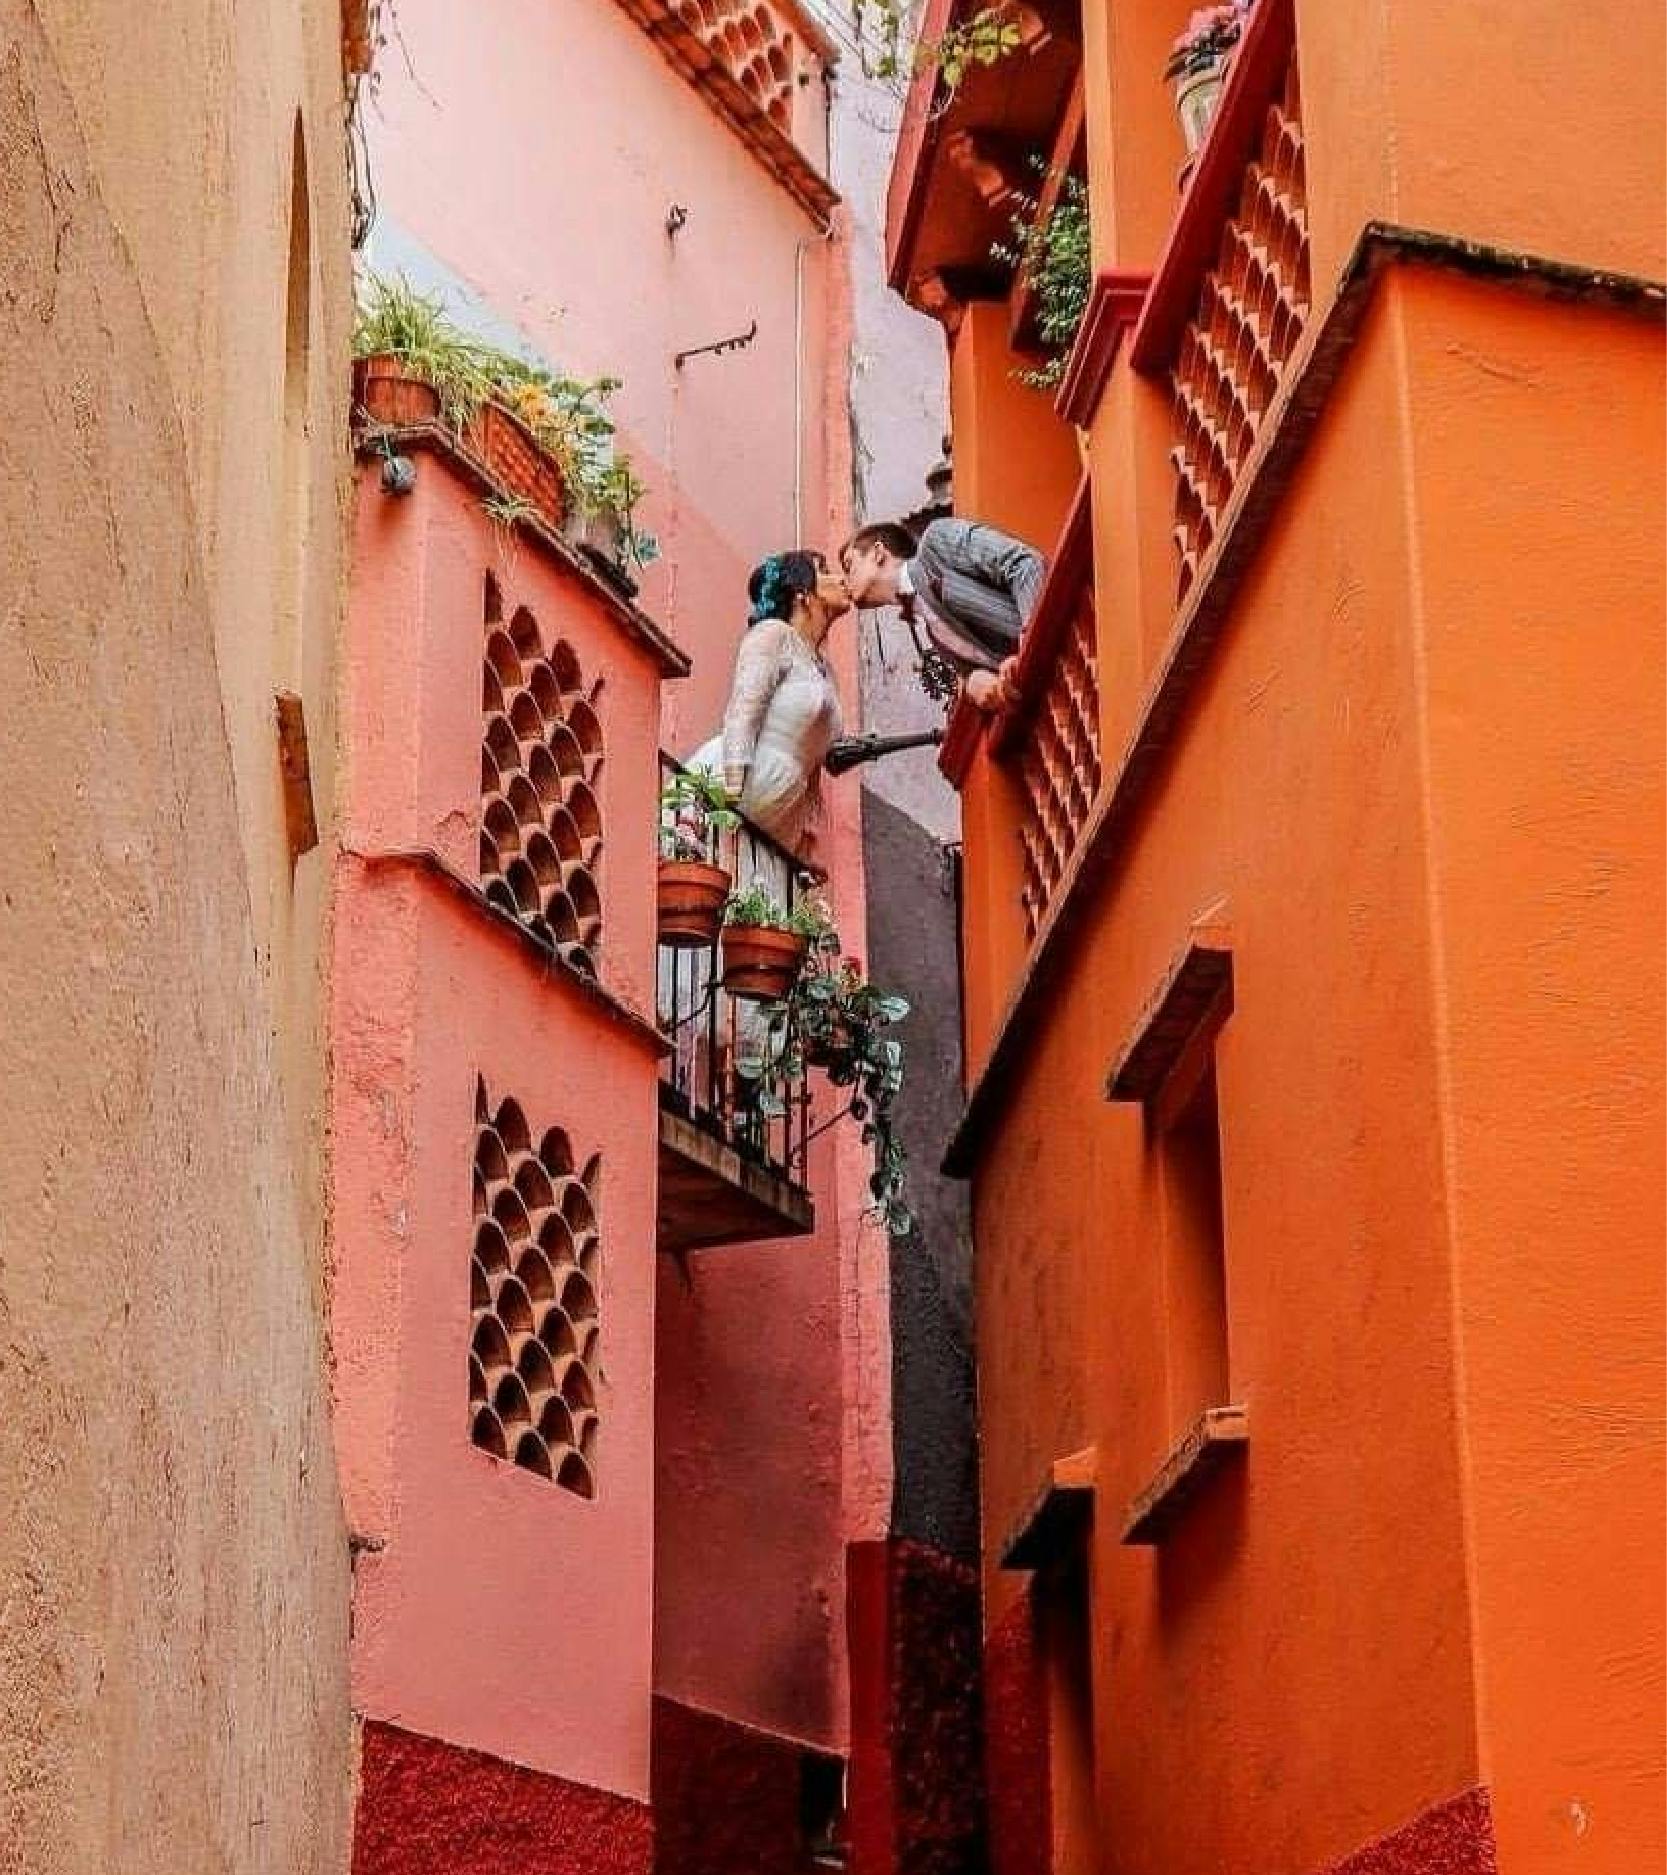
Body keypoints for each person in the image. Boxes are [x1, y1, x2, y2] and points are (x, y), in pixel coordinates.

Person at [685, 549, 849, 864]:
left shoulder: (826, 670)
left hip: (782, 807)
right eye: (824, 570)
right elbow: (745, 706)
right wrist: (732, 789)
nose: (840, 579)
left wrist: (805, 838)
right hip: (739, 779)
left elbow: (817, 763)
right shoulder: (773, 635)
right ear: (803, 594)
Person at [841, 517, 1047, 712]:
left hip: (1065, 647)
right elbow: (983, 670)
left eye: (849, 566)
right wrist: (972, 681)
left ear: (879, 553)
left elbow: (1024, 564)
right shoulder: (934, 632)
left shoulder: (936, 541)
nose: (844, 581)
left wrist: (1032, 640)